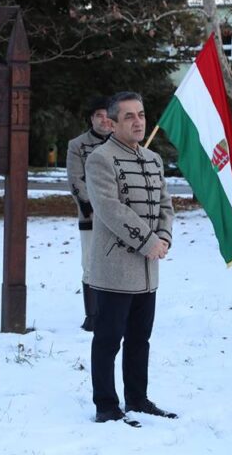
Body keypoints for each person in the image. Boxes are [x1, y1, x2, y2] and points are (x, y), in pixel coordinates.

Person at [85, 91, 175, 425]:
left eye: (141, 114)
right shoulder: (100, 159)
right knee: (108, 340)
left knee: (140, 340)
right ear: (111, 123)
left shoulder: (153, 159)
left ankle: (137, 399)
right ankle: (106, 405)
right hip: (115, 268)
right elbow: (110, 209)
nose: (138, 122)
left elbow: (165, 205)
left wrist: (163, 238)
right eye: (129, 116)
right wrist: (148, 241)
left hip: (148, 269)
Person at [66, 96, 113, 332]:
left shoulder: (124, 143)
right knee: (91, 264)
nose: (104, 120)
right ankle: (93, 316)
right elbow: (76, 179)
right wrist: (91, 206)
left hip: (122, 217)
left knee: (117, 265)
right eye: (99, 116)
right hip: (92, 216)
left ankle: (115, 313)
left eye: (107, 115)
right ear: (91, 119)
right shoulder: (77, 145)